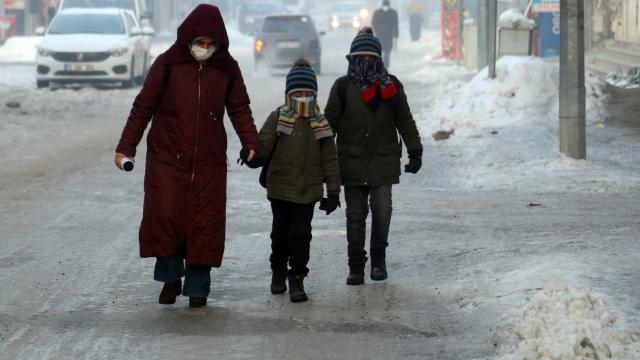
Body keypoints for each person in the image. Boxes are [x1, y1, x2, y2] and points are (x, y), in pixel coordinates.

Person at [114, 4, 260, 308]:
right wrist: (127, 147)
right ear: (188, 40)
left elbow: (240, 109)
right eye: (200, 43)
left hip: (208, 160)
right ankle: (170, 280)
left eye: (210, 44)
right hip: (167, 157)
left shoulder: (227, 69)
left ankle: (198, 288)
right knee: (167, 216)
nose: (204, 49)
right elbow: (143, 107)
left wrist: (252, 143)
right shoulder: (167, 65)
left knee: (203, 223)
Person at [324, 28, 423, 286]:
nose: (366, 63)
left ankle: (378, 260)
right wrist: (320, 161)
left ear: (378, 59)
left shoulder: (391, 87)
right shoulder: (343, 87)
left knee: (383, 211)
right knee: (355, 217)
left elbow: (405, 121)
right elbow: (328, 127)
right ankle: (356, 266)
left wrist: (415, 151)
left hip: (383, 161)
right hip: (352, 163)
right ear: (353, 59)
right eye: (361, 58)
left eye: (371, 58)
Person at [241, 59, 341, 303]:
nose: (303, 97)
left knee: (301, 236)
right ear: (289, 94)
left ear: (314, 94)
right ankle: (278, 271)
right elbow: (263, 147)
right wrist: (251, 156)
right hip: (281, 189)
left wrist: (334, 192)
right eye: (298, 93)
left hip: (308, 191)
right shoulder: (278, 118)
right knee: (280, 234)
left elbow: (330, 160)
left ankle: (297, 277)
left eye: (308, 93)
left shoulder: (321, 122)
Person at [371, 0, 398, 67]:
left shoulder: (393, 13)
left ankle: (386, 65)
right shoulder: (377, 13)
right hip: (379, 34)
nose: (385, 7)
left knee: (388, 50)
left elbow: (395, 24)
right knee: (379, 49)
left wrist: (396, 34)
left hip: (389, 34)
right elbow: (373, 22)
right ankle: (379, 63)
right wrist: (376, 30)